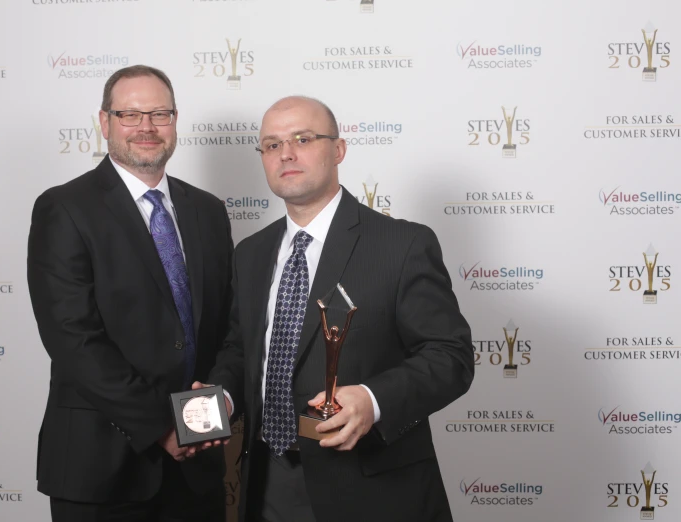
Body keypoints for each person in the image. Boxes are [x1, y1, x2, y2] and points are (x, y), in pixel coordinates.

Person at [198, 96, 474, 522]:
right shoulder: (250, 254)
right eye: (271, 145)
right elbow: (241, 351)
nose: (285, 153)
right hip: (266, 485)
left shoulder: (401, 245)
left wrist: (372, 399)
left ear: (339, 150)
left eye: (302, 139)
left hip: (373, 492)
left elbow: (451, 356)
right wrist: (222, 398)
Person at [27, 65, 232, 522]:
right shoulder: (64, 208)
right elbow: (72, 337)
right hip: (101, 468)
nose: (146, 127)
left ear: (176, 120)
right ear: (104, 122)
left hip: (197, 465)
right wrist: (163, 426)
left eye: (159, 114)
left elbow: (225, 331)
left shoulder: (209, 211)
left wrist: (199, 422)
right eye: (130, 114)